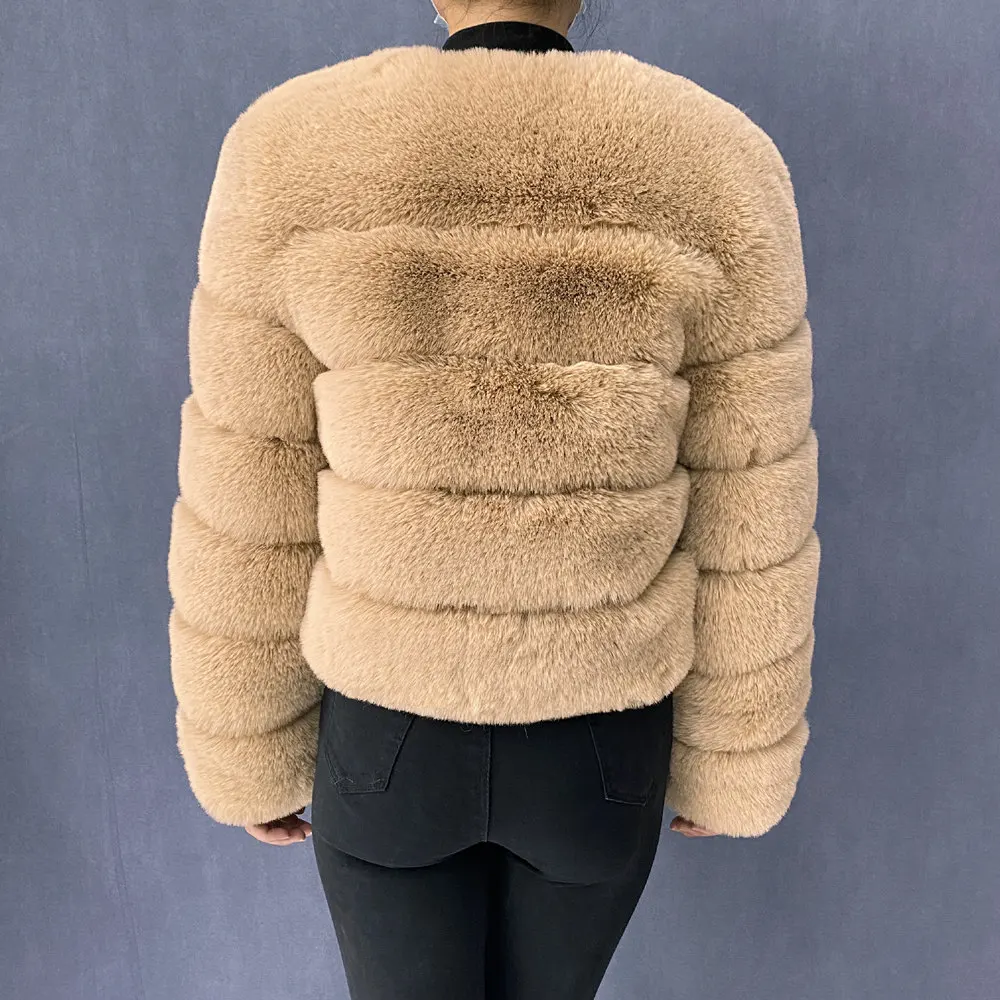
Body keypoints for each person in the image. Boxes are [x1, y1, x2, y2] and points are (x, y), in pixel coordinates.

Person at [165, 0, 820, 995]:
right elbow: (752, 495)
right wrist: (737, 755)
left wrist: (244, 745)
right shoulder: (716, 161)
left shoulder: (289, 152)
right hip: (600, 745)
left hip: (387, 743)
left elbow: (249, 492)